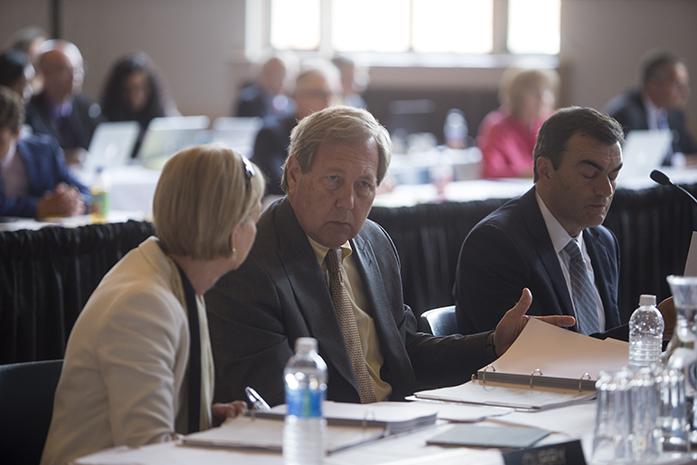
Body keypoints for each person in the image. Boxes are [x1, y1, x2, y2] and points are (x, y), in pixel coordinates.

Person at [206, 106, 575, 407]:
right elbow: (275, 402)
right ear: (294, 173)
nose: (348, 202)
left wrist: (493, 345)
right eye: (333, 180)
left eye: (364, 185)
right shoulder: (250, 261)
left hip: (399, 430)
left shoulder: (374, 242)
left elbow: (404, 353)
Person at [40, 144, 265, 465]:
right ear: (233, 232)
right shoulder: (144, 304)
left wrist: (205, 420)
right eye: (254, 216)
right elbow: (148, 452)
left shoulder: (173, 277)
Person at [454, 107, 624, 336]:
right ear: (545, 170)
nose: (606, 190)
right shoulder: (495, 244)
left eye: (613, 175)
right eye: (589, 174)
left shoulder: (603, 241)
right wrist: (650, 328)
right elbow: (521, 354)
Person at [251, 60, 339, 196]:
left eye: (331, 93)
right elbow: (279, 183)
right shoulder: (271, 133)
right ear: (296, 95)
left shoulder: (339, 135)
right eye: (318, 94)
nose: (327, 101)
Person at [0, 86, 87, 218]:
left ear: (17, 133)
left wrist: (70, 201)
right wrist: (38, 207)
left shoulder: (44, 152)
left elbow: (85, 192)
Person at [606, 51, 697, 163]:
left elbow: (691, 151)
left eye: (685, 84)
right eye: (677, 84)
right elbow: (622, 160)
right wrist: (679, 162)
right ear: (653, 84)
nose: (684, 91)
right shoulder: (626, 113)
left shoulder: (675, 115)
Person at [24, 40, 103, 165]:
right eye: (65, 70)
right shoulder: (29, 112)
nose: (75, 76)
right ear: (45, 73)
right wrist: (63, 158)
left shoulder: (87, 107)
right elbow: (30, 154)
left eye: (78, 69)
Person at [478, 68, 558, 179]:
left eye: (546, 91)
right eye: (535, 92)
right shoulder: (498, 126)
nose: (543, 98)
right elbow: (491, 171)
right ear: (517, 97)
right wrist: (534, 172)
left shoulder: (551, 124)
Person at [100, 52, 177, 158]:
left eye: (141, 88)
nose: (135, 95)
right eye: (128, 89)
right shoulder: (105, 118)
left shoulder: (161, 114)